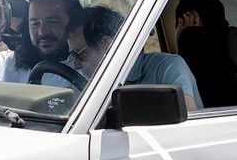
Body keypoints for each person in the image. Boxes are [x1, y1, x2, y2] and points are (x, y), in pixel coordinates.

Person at [70, 6, 201, 109]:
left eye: (79, 55)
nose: (75, 65)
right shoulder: (91, 80)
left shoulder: (168, 67)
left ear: (107, 45)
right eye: (71, 55)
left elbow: (187, 125)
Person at [0, 0, 82, 83]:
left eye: (52, 22)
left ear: (74, 24)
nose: (42, 31)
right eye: (34, 23)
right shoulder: (13, 60)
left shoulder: (88, 71)